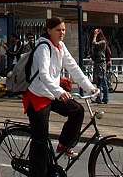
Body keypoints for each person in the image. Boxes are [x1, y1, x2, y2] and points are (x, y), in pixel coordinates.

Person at [23, 16, 97, 174]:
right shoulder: (43, 47)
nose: (62, 32)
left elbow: (74, 68)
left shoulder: (61, 46)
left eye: (63, 29)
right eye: (58, 30)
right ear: (49, 31)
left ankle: (64, 144)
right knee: (40, 141)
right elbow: (43, 75)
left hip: (52, 94)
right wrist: (60, 91)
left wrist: (90, 88)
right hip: (37, 96)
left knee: (77, 110)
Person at [90, 28, 112, 104]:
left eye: (96, 33)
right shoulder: (100, 42)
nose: (94, 34)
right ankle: (98, 98)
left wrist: (95, 35)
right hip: (97, 63)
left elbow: (94, 43)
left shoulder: (103, 42)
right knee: (98, 82)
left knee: (103, 81)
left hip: (101, 64)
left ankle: (105, 98)